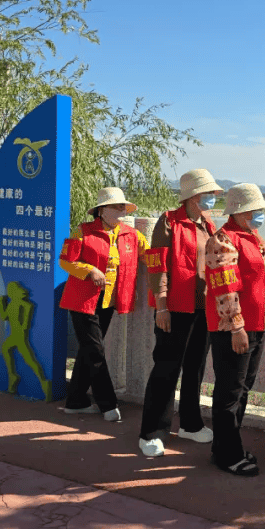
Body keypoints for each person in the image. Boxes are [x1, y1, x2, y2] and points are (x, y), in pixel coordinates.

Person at [138, 169, 224, 458]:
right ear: (193, 196)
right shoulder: (168, 222)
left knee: (196, 368)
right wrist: (161, 305)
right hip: (174, 308)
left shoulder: (209, 226)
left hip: (203, 309)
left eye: (213, 194)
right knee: (166, 368)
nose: (212, 198)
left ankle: (189, 423)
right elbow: (156, 264)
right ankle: (152, 431)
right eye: (208, 194)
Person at [203, 183, 265, 477]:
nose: (259, 214)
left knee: (243, 388)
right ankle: (229, 455)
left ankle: (225, 446)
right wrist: (236, 327)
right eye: (255, 210)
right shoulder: (222, 241)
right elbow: (224, 287)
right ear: (241, 211)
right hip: (233, 328)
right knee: (229, 391)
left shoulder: (253, 238)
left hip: (257, 325)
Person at [59, 187, 149, 421]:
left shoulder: (131, 235)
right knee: (96, 351)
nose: (122, 210)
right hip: (82, 301)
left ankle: (75, 401)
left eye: (123, 207)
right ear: (102, 210)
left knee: (89, 350)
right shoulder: (83, 232)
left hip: (108, 301)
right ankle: (108, 404)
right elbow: (66, 261)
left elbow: (149, 256)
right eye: (117, 206)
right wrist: (89, 270)